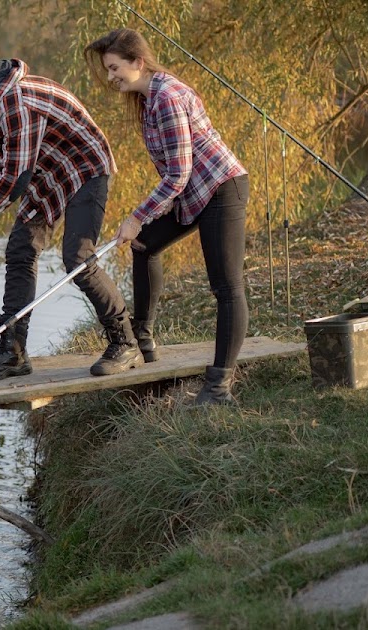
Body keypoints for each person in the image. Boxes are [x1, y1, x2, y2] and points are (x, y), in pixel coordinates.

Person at [0, 41, 142, 382]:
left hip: (85, 169)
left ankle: (125, 342)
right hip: (47, 171)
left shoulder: (17, 102)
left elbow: (12, 181)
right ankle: (13, 353)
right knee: (20, 250)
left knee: (77, 260)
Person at [83, 28, 250, 405]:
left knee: (227, 288)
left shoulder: (167, 97)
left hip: (221, 188)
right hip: (192, 193)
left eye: (114, 68)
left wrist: (137, 216)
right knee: (144, 246)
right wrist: (147, 221)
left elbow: (179, 172)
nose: (110, 77)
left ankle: (218, 387)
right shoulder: (148, 98)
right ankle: (141, 340)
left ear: (138, 62)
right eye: (107, 69)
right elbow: (177, 175)